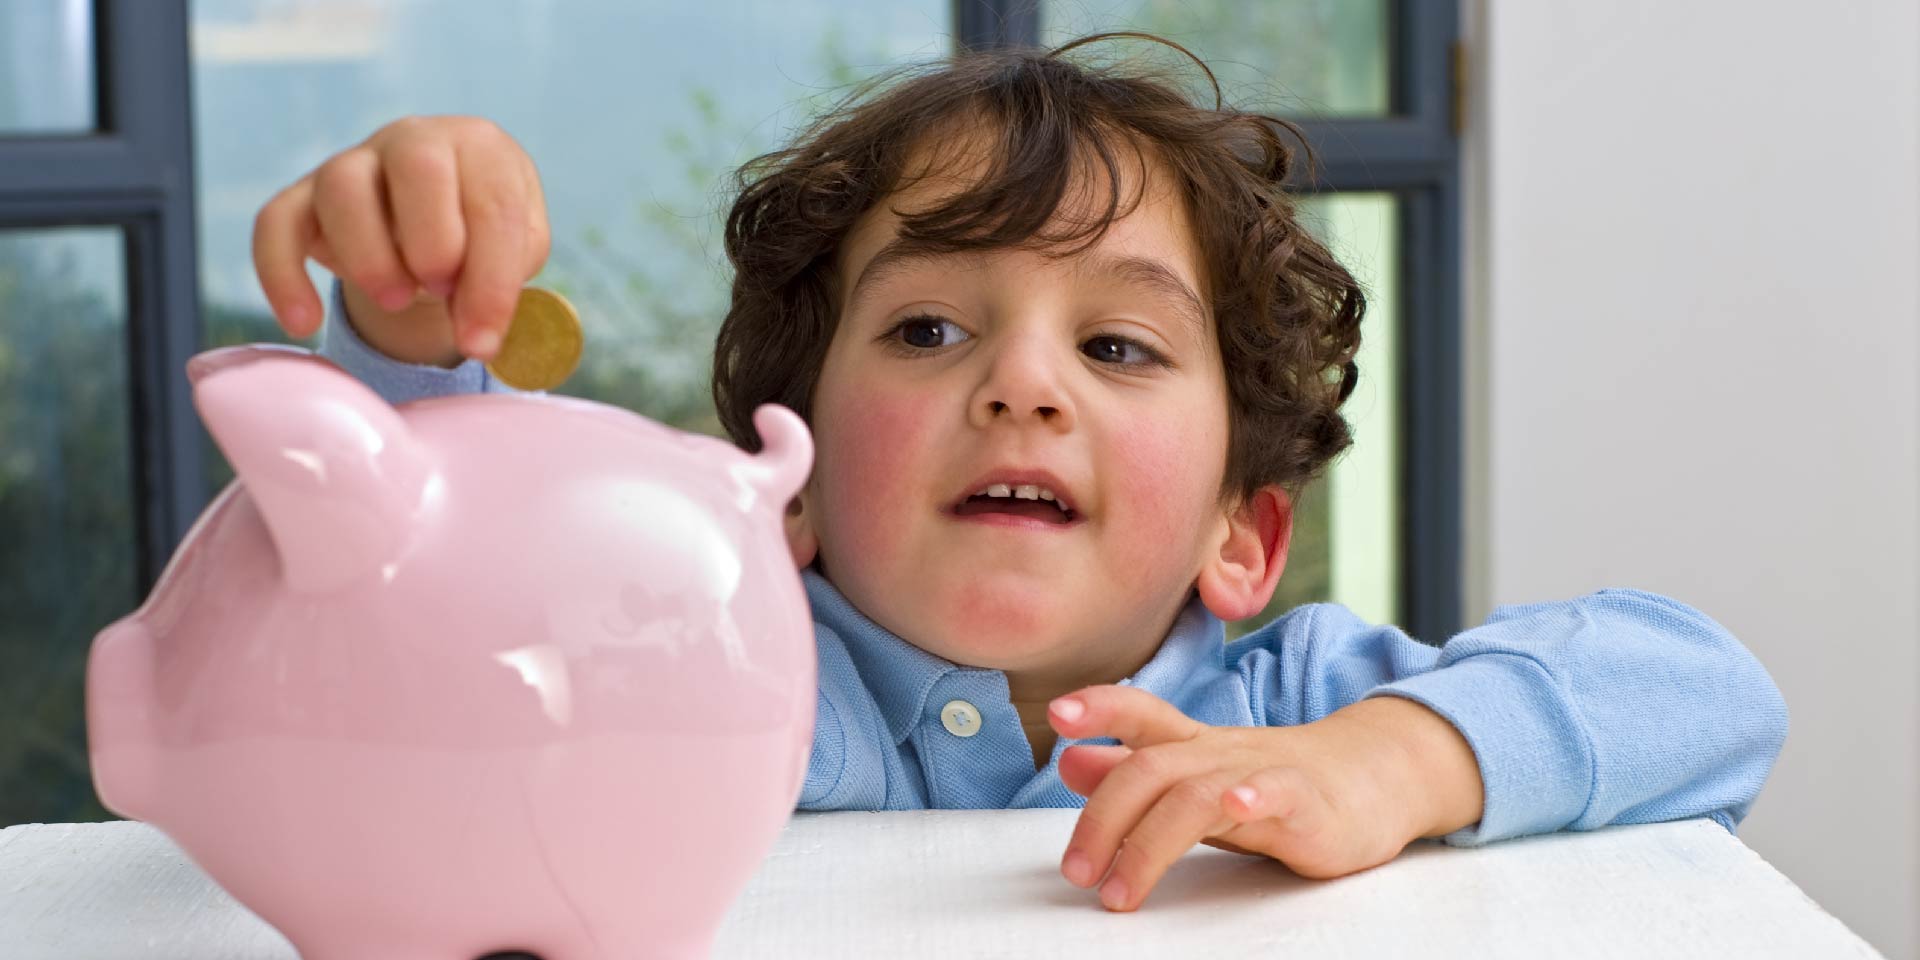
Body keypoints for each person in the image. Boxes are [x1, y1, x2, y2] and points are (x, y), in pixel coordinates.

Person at [249, 35, 1787, 913]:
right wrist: (411, 336)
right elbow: (418, 655)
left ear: (1244, 538)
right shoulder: (702, 690)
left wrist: (1389, 764)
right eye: (927, 326)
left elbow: (1709, 691)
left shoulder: (1290, 706)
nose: (1022, 383)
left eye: (1117, 348)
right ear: (780, 489)